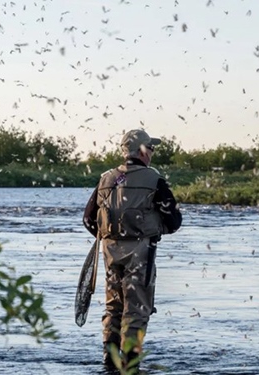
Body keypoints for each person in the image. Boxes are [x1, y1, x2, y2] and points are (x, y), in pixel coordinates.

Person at [83, 129, 182, 369]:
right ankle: (130, 363)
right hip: (141, 252)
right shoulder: (153, 179)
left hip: (109, 251)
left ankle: (109, 360)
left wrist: (111, 237)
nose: (153, 153)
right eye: (152, 148)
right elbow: (174, 220)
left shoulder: (107, 178)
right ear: (142, 151)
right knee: (136, 309)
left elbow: (88, 220)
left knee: (114, 306)